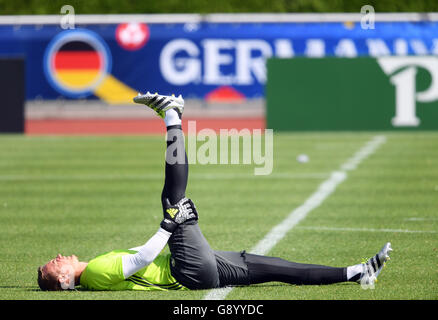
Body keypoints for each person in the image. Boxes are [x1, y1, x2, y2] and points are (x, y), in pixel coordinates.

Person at [37, 92, 392, 291]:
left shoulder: (95, 270)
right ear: (65, 280)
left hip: (201, 267)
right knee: (172, 201)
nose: (59, 257)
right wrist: (169, 225)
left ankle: (358, 272)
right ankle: (172, 115)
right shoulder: (95, 271)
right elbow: (142, 260)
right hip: (187, 270)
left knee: (279, 269)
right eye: (55, 266)